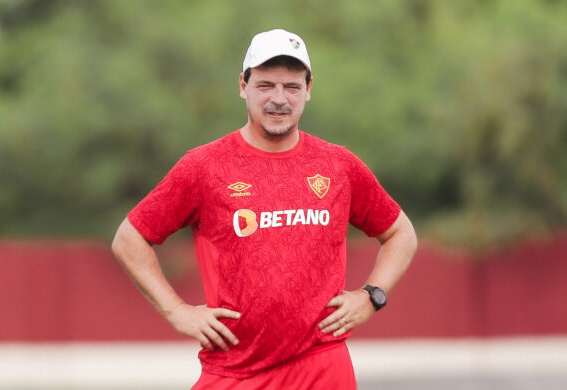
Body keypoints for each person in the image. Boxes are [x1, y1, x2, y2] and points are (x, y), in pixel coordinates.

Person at [112, 28, 418, 389]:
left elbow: (401, 233)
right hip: (235, 372)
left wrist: (372, 296)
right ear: (243, 86)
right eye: (265, 85)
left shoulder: (338, 165)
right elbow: (129, 238)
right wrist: (176, 311)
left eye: (291, 87)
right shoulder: (204, 166)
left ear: (308, 90)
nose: (279, 99)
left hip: (321, 367)